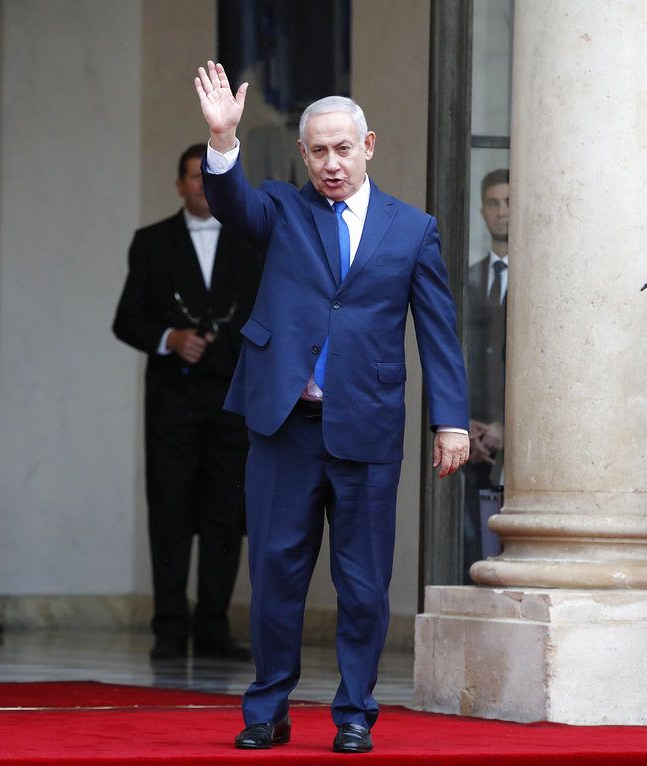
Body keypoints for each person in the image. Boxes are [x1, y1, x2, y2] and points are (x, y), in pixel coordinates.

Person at [193, 62, 470, 753]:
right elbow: (234, 205)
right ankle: (266, 709)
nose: (330, 164)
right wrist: (222, 141)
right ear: (303, 154)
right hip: (285, 426)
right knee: (277, 576)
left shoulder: (413, 229)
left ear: (368, 145)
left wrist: (453, 419)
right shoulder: (284, 209)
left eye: (342, 149)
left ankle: (354, 713)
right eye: (317, 151)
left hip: (368, 427)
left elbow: (437, 333)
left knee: (364, 585)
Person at [113, 144, 261, 661]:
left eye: (208, 177)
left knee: (227, 514)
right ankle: (170, 628)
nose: (201, 184)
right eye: (193, 177)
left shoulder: (251, 241)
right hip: (172, 404)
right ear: (179, 184)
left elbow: (268, 316)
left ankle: (214, 626)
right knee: (171, 512)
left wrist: (233, 342)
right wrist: (169, 338)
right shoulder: (152, 242)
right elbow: (126, 319)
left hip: (231, 400)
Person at [464, 169, 509, 573]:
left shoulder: (539, 279)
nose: (502, 212)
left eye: (509, 202)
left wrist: (505, 424)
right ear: (481, 212)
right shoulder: (468, 279)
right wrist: (465, 425)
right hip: (471, 441)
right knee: (471, 548)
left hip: (515, 442)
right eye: (494, 204)